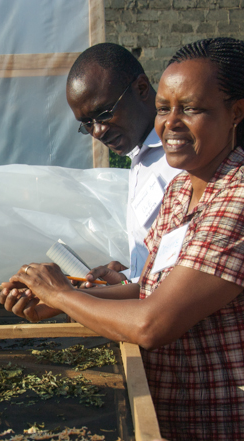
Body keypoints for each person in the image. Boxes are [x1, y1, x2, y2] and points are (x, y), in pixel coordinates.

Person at [1, 38, 244, 439]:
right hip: (176, 416)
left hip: (237, 420)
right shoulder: (181, 189)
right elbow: (148, 290)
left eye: (191, 109)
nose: (170, 123)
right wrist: (58, 304)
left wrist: (61, 295)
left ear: (236, 113)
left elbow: (153, 323)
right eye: (164, 108)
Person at [66, 43, 180, 285]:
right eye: (87, 123)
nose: (97, 131)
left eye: (105, 113)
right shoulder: (141, 157)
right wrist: (126, 277)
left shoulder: (181, 159)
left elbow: (182, 280)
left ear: (140, 88)